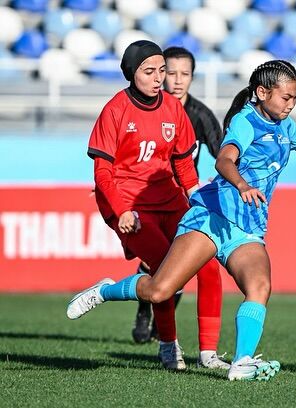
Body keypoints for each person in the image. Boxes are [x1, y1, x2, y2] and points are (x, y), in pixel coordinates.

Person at [67, 59, 296, 381]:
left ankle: (241, 362)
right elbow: (225, 160)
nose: (291, 104)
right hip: (213, 217)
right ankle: (105, 291)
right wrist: (242, 184)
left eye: (295, 97)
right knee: (160, 291)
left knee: (259, 286)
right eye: (286, 97)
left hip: (247, 227)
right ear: (262, 93)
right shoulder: (245, 122)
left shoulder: (286, 126)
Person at [79, 40, 227, 371]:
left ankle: (209, 353)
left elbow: (185, 166)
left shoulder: (174, 109)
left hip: (170, 199)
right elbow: (103, 173)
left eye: (162, 70)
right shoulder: (116, 109)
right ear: (132, 73)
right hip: (132, 205)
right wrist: (122, 211)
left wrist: (198, 201)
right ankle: (168, 346)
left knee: (208, 263)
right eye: (150, 71)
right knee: (164, 272)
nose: (159, 77)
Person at [131, 47, 226, 366]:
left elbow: (222, 149)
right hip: (150, 198)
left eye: (184, 74)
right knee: (157, 264)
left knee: (194, 264)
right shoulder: (145, 110)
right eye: (170, 72)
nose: (176, 80)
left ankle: (201, 348)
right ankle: (147, 310)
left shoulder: (199, 114)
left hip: (184, 200)